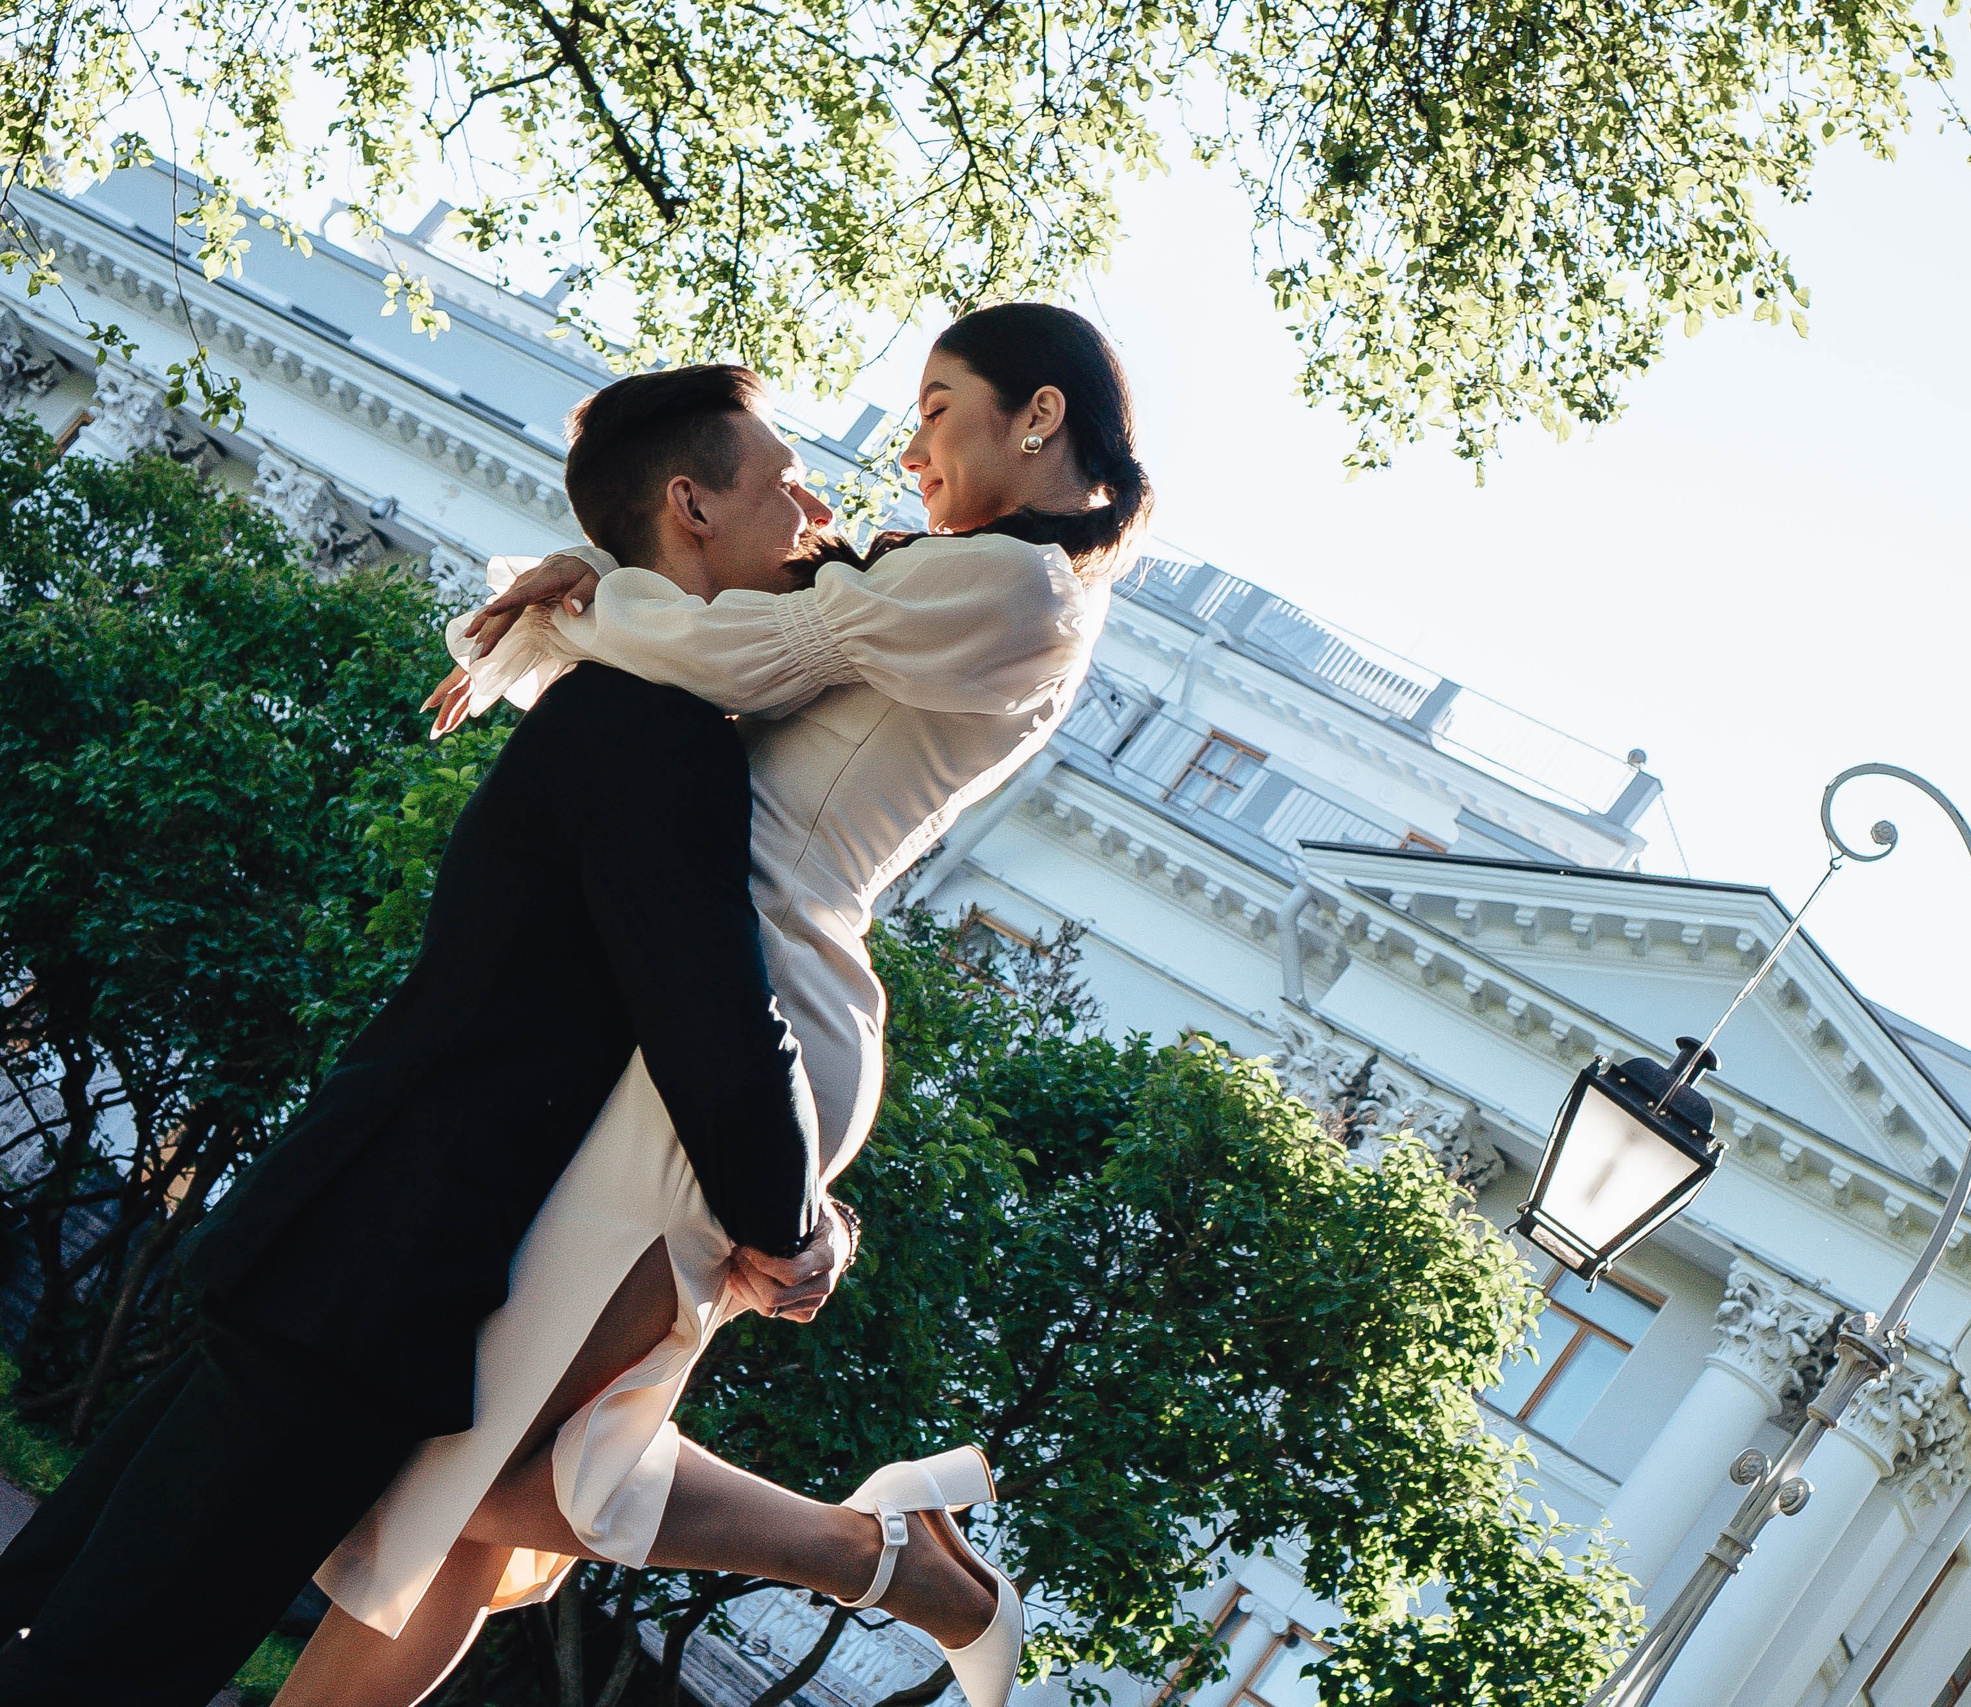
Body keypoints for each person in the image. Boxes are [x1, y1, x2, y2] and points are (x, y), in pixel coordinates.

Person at [278, 303, 1150, 1707]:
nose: (910, 441)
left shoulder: (1016, 592)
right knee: (454, 1496)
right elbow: (735, 632)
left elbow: (737, 659)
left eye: (938, 406)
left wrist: (580, 598)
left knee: (508, 1464)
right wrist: (591, 591)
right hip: (709, 1008)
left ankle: (887, 1562)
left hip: (754, 1020)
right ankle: (886, 1552)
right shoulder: (964, 575)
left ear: (1036, 416)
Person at [0, 375, 841, 1706]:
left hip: (340, 1249)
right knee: (103, 1663)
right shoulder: (654, 732)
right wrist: (792, 1222)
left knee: (59, 1617)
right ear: (689, 505)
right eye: (786, 481)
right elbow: (715, 1021)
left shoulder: (626, 696)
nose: (818, 508)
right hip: (373, 1276)